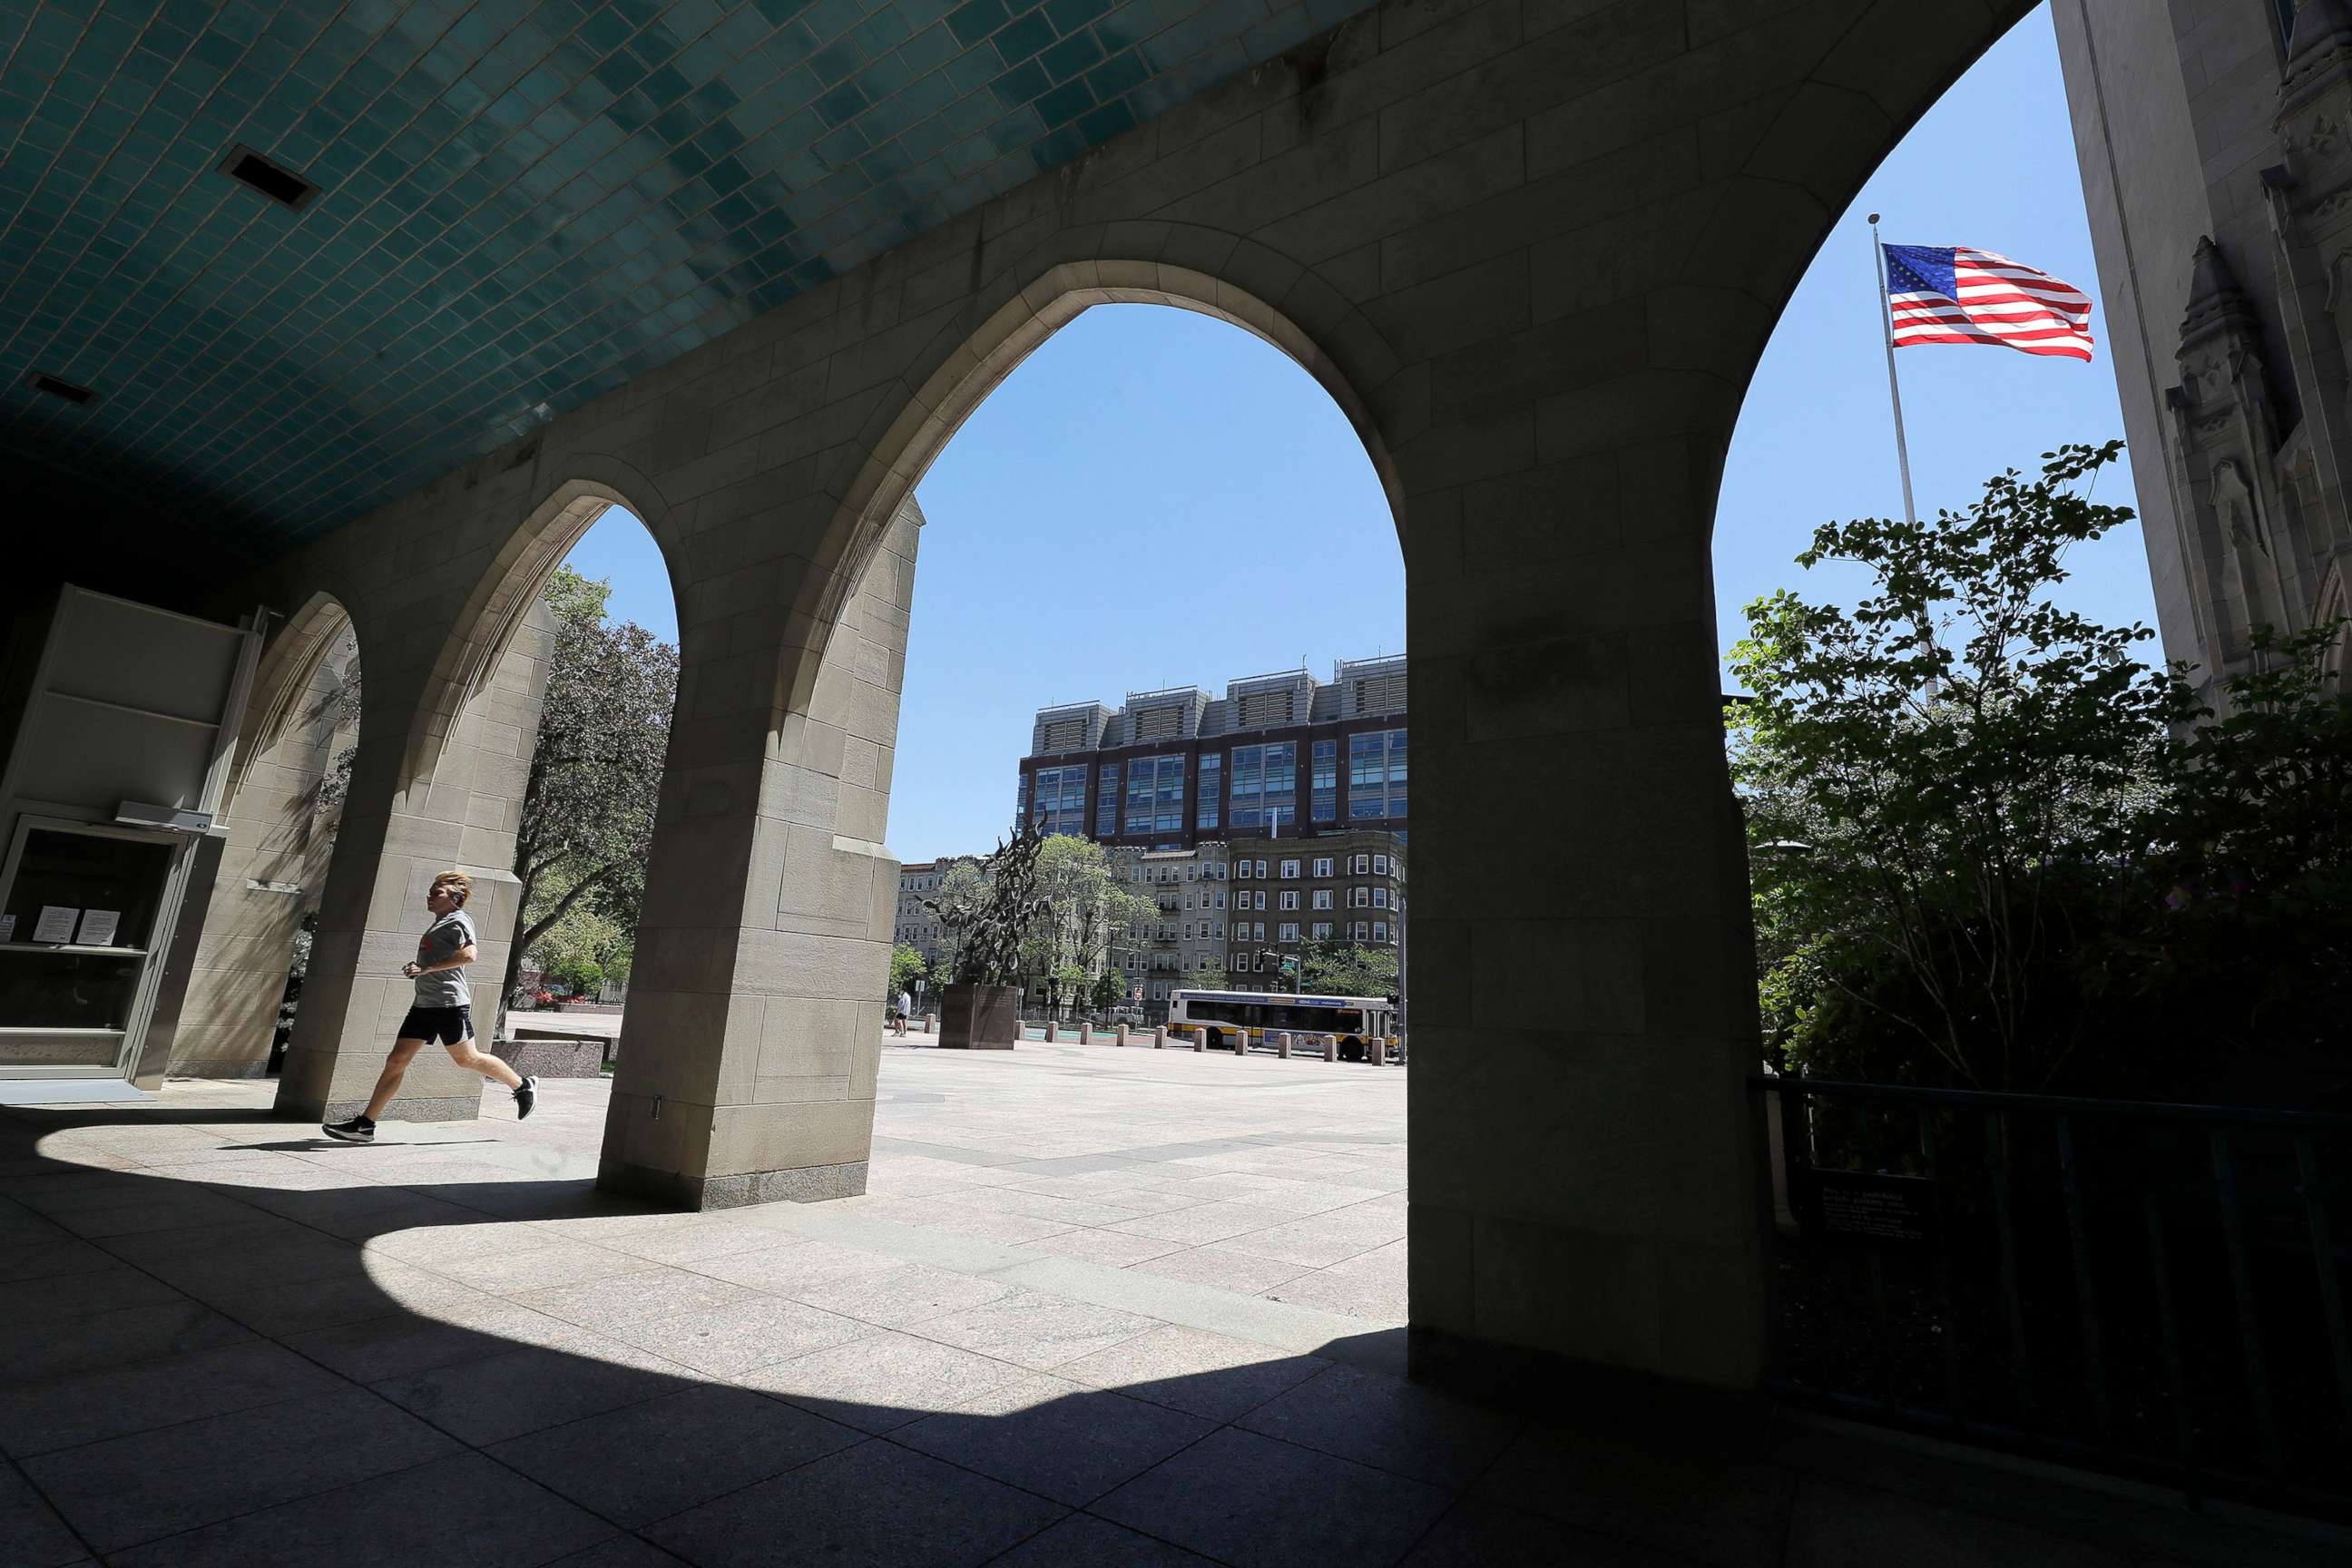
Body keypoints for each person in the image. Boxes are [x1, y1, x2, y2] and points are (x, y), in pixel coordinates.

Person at [322, 871, 535, 1143]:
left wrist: (426, 967)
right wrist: (420, 969)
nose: (430, 896)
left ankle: (522, 1085)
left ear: (455, 899)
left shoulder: (459, 919)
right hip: (424, 1005)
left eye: (437, 892)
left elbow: (470, 955)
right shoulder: (440, 923)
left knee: (466, 1059)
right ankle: (365, 1125)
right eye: (431, 891)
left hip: (448, 1003)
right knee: (396, 1061)